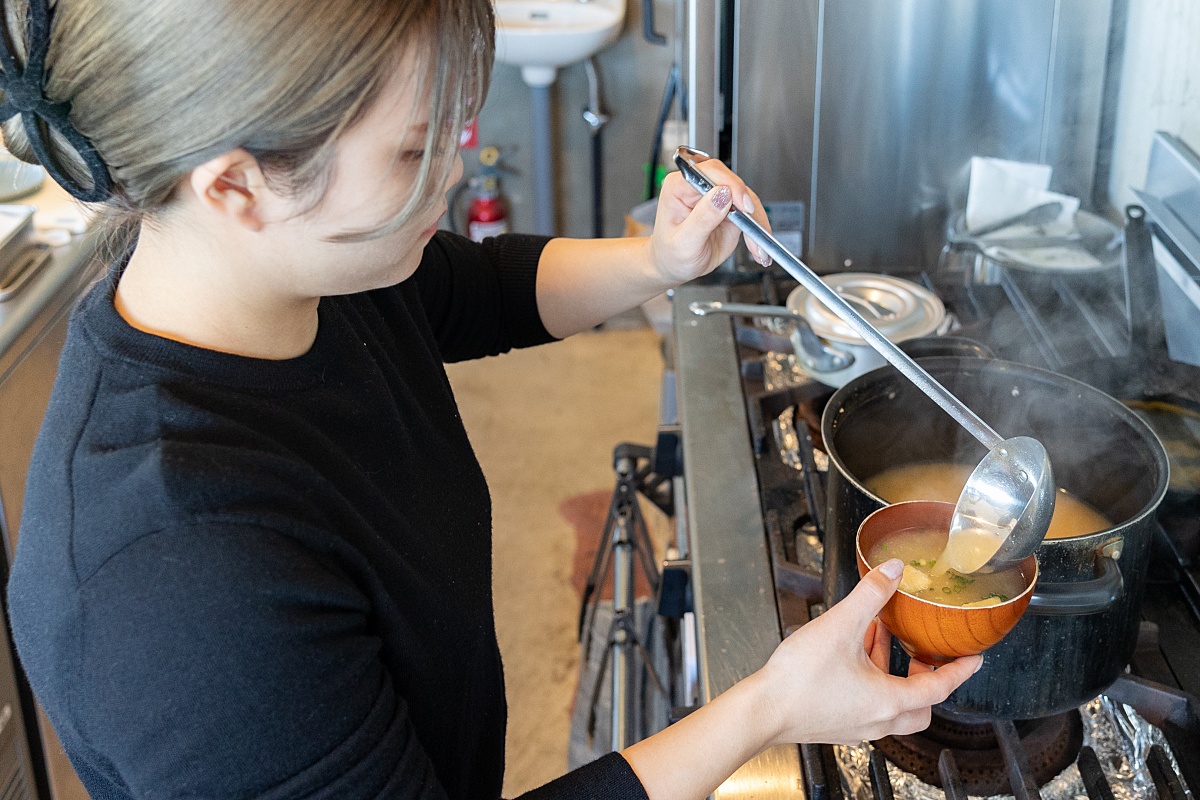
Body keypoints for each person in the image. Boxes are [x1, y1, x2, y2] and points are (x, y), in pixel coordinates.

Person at [1, 0, 982, 798]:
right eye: (413, 152)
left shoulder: (296, 277)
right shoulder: (176, 581)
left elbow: (474, 292)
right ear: (236, 187)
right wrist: (767, 706)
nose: (459, 171)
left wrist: (658, 257)